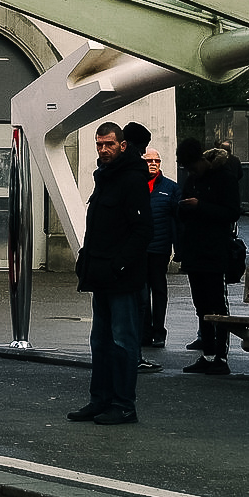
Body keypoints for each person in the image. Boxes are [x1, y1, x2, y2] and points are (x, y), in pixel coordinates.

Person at [67, 121, 152, 426]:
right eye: (99, 145)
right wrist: (86, 259)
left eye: (109, 145)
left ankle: (123, 404)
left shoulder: (131, 179)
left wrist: (119, 264)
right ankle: (100, 399)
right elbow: (98, 228)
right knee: (101, 341)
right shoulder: (105, 177)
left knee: (122, 342)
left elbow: (142, 230)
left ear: (123, 145)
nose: (103, 150)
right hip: (102, 273)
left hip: (122, 277)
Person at [176, 142, 243, 375]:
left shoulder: (224, 177)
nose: (191, 172)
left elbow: (233, 212)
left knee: (217, 304)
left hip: (215, 250)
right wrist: (183, 209)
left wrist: (200, 206)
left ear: (201, 160)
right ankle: (208, 352)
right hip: (195, 250)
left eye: (193, 167)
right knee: (201, 305)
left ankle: (221, 357)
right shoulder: (193, 180)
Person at [141, 147, 180, 350]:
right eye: (149, 161)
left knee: (158, 289)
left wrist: (177, 247)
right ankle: (145, 331)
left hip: (160, 248)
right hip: (139, 249)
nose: (153, 163)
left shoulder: (170, 188)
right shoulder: (136, 186)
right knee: (141, 291)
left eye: (156, 160)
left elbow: (177, 220)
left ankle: (159, 331)